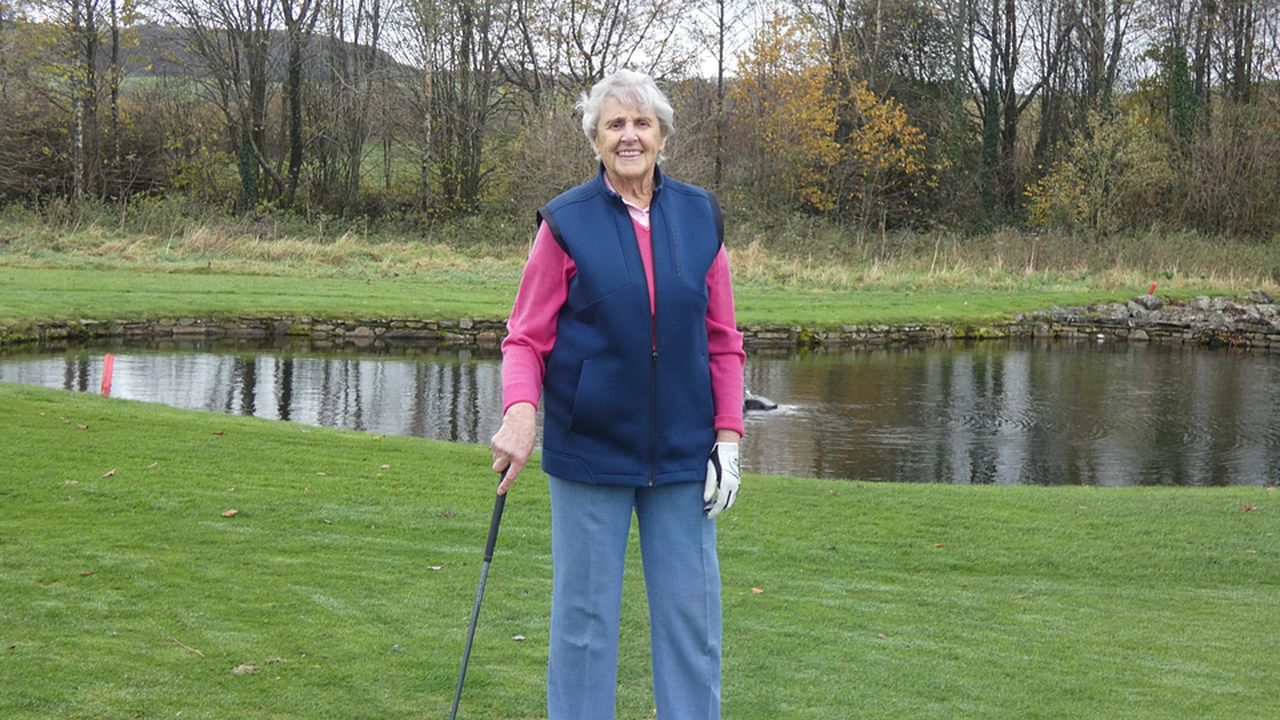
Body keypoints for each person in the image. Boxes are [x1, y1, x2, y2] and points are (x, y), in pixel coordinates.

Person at [488, 68, 746, 720]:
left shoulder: (700, 216)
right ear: (596, 140)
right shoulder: (566, 223)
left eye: (641, 123)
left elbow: (723, 341)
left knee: (692, 623)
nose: (629, 135)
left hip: (684, 454)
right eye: (615, 124)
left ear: (662, 135)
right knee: (583, 625)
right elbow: (525, 338)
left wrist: (728, 438)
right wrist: (521, 416)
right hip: (590, 450)